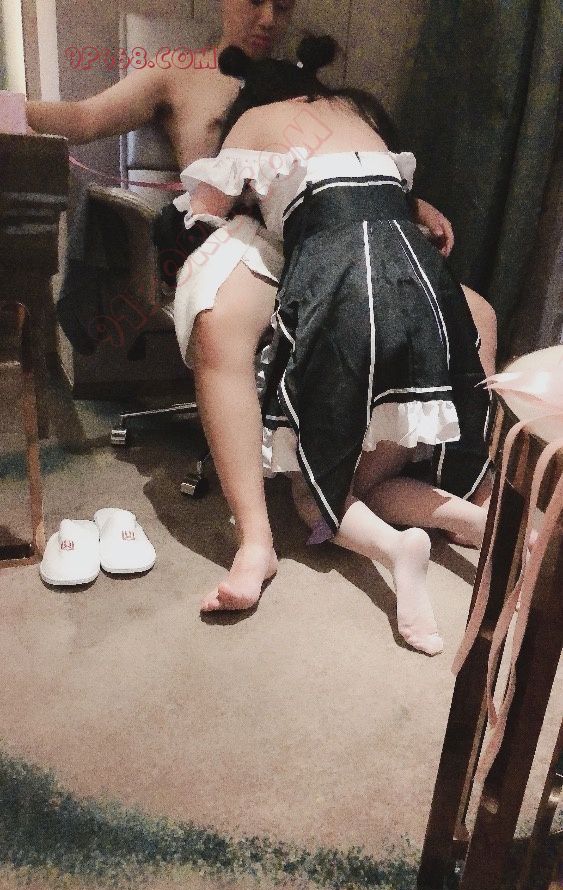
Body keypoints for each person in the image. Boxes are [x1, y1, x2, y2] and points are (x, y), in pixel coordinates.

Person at [25, 1, 496, 608]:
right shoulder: (174, 71)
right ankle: (256, 539)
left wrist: (413, 202)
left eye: (284, 3)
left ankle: (459, 481)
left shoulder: (306, 87)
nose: (270, 17)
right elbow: (83, 118)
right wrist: (14, 109)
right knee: (219, 318)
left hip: (325, 226)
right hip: (240, 230)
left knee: (478, 312)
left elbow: (351, 166)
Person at [171, 35, 493, 654]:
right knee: (365, 480)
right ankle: (475, 519)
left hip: (345, 292)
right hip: (427, 291)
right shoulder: (354, 116)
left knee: (313, 490)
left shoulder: (254, 122)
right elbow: (387, 194)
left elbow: (207, 208)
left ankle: (387, 549)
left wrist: (233, 189)